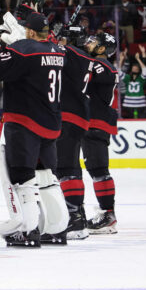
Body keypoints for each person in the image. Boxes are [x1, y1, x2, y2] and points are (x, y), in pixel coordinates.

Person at [0, 11, 67, 247]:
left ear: (32, 32)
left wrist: (0, 46)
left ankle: (28, 230)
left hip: (25, 121)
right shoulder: (56, 50)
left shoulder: (26, 48)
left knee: (22, 178)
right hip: (51, 122)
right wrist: (17, 43)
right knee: (47, 177)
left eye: (26, 29)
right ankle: (58, 229)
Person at [54, 24, 100, 241]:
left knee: (65, 168)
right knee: (71, 167)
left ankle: (75, 219)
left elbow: (50, 50)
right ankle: (77, 214)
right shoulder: (82, 55)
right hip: (78, 116)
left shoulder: (69, 53)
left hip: (68, 115)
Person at [83, 31, 120, 234]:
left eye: (93, 42)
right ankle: (107, 213)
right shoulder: (101, 64)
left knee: (98, 169)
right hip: (95, 120)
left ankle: (108, 215)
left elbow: (80, 71)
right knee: (96, 169)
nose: (88, 43)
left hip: (96, 121)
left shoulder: (101, 65)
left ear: (102, 49)